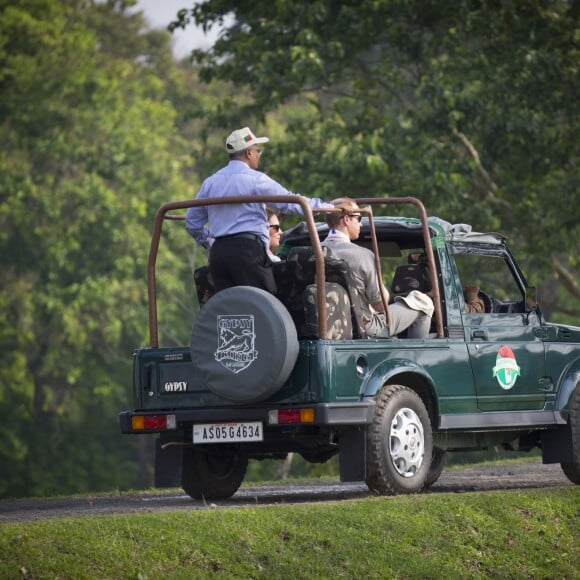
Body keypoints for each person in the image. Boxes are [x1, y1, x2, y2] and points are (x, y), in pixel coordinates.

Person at [185, 127, 332, 294]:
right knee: (265, 306)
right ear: (248, 153)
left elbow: (192, 222)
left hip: (219, 254)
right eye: (257, 150)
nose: (258, 154)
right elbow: (290, 202)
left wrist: (210, 242)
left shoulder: (210, 183)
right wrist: (328, 208)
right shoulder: (256, 180)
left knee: (229, 309)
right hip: (247, 252)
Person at [321, 198, 434, 338]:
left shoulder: (312, 253)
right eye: (359, 218)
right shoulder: (363, 256)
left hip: (326, 327)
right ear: (346, 220)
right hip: (364, 327)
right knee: (423, 302)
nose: (361, 224)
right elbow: (380, 306)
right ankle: (417, 356)